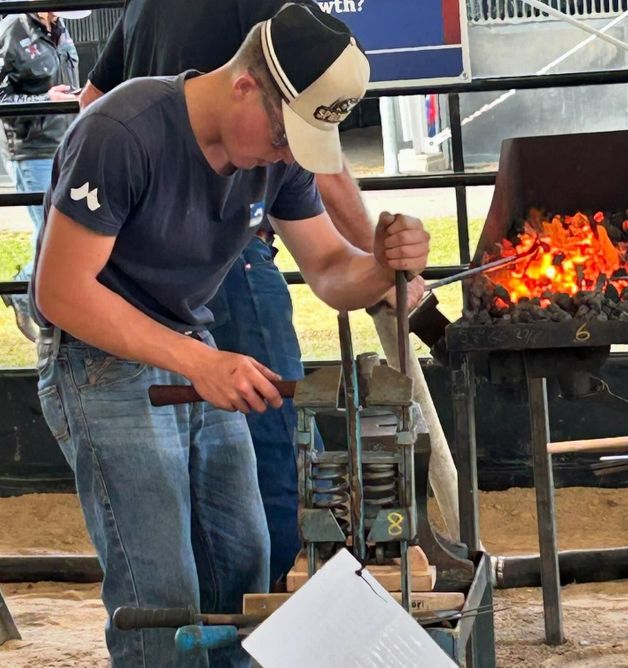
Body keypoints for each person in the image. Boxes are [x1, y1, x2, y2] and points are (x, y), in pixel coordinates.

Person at [32, 5, 430, 666]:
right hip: (95, 358)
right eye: (283, 136)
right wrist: (196, 360)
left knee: (243, 554)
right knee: (161, 588)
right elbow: (62, 291)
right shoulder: (124, 131)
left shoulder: (275, 156)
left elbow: (330, 270)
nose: (284, 156)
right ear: (247, 84)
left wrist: (383, 265)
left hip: (187, 343)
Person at [0, 9, 88, 341]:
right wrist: (43, 100)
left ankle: (28, 291)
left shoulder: (61, 29)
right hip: (31, 150)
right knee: (54, 235)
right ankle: (28, 290)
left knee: (63, 232)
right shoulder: (11, 30)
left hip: (66, 144)